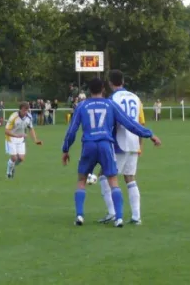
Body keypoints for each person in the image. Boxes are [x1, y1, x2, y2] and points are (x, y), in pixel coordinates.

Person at [61, 78, 161, 228]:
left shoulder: (81, 106)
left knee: (82, 180)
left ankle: (80, 216)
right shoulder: (110, 104)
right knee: (113, 180)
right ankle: (119, 218)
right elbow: (129, 123)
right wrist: (149, 135)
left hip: (88, 145)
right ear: (103, 88)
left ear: (89, 90)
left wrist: (66, 149)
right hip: (106, 145)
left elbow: (72, 130)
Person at [97, 70, 147, 225]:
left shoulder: (112, 99)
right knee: (130, 178)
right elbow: (141, 123)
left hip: (119, 142)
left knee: (105, 176)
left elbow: (109, 123)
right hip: (134, 142)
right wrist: (140, 145)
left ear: (110, 83)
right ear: (123, 81)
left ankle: (113, 212)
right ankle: (136, 216)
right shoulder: (135, 98)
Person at [4, 102, 42, 178]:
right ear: (20, 109)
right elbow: (6, 131)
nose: (26, 112)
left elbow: (31, 128)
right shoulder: (14, 116)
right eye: (24, 110)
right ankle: (9, 172)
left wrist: (35, 140)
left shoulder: (29, 117)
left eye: (27, 110)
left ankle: (12, 166)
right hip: (11, 138)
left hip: (21, 139)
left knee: (21, 158)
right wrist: (17, 135)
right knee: (14, 158)